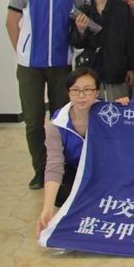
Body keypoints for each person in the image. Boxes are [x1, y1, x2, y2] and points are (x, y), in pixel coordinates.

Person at [6, 0, 84, 189]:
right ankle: (40, 170)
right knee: (33, 119)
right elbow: (11, 23)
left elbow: (82, 22)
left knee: (61, 118)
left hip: (61, 64)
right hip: (29, 66)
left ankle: (61, 168)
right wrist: (22, 51)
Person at [36, 68, 99, 236]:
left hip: (102, 171)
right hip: (74, 169)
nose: (81, 95)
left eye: (88, 89)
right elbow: (54, 165)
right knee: (61, 194)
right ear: (68, 92)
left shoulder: (109, 116)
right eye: (75, 90)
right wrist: (47, 208)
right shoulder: (56, 124)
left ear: (97, 92)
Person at [70, 0, 134, 101]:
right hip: (91, 73)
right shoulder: (84, 11)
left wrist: (131, 68)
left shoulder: (122, 8)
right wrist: (81, 30)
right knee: (93, 110)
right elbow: (77, 43)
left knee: (119, 109)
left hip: (117, 71)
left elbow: (131, 40)